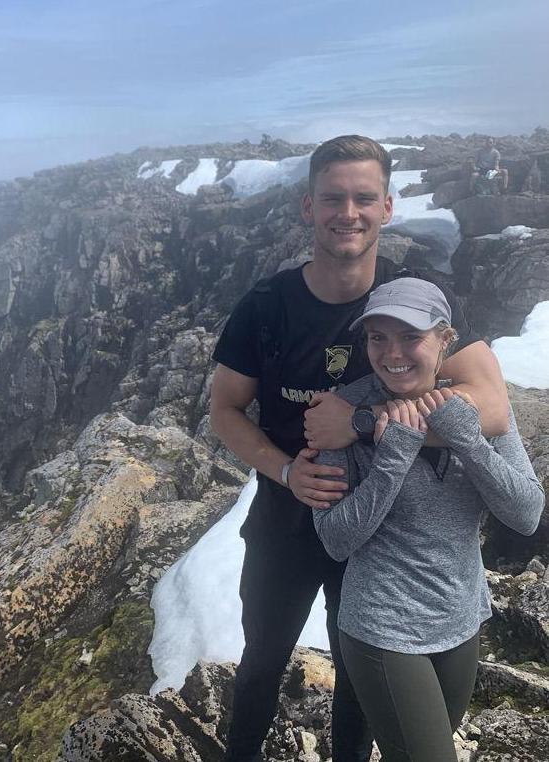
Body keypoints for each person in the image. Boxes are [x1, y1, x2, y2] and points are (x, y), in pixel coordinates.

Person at [209, 134, 511, 762]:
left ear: (388, 207)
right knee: (262, 657)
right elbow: (225, 409)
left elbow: (492, 406)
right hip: (286, 516)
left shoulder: (417, 299)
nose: (348, 212)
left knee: (359, 676)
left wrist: (366, 423)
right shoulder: (266, 307)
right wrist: (287, 470)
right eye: (333, 198)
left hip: (381, 527)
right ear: (307, 207)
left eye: (364, 198)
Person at [311, 278, 544, 762]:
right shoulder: (343, 414)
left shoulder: (479, 408)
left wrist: (470, 443)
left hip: (461, 618)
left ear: (445, 340)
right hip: (382, 628)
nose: (392, 353)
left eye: (410, 337)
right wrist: (391, 458)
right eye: (378, 337)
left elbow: (526, 514)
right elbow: (335, 539)